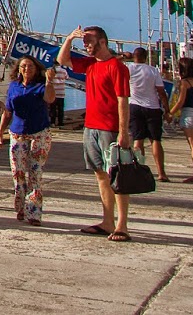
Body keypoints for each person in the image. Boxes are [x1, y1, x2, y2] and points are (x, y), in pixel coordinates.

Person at [58, 25, 133, 242]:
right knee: (100, 174)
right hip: (90, 126)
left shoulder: (116, 67)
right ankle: (107, 220)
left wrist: (123, 131)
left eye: (89, 41)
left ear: (102, 42)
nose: (87, 45)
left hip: (109, 128)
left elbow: (123, 101)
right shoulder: (90, 64)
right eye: (85, 42)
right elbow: (63, 60)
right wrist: (70, 38)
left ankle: (122, 224)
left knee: (117, 176)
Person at [0, 56, 56, 225]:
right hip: (17, 134)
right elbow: (8, 111)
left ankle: (34, 213)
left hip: (39, 134)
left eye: (30, 66)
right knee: (18, 173)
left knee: (35, 174)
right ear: (18, 69)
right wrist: (0, 132)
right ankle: (21, 208)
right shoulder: (14, 86)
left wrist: (50, 82)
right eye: (23, 66)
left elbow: (50, 99)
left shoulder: (41, 86)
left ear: (36, 69)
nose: (26, 69)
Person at [126, 48, 170, 182]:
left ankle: (139, 171)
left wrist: (123, 56)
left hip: (135, 106)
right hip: (152, 107)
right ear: (146, 57)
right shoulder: (152, 70)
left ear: (134, 57)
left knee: (138, 140)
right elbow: (161, 92)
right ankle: (161, 173)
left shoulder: (129, 69)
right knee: (155, 140)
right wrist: (167, 110)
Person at [48, 58, 68, 129]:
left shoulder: (50, 70)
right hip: (61, 93)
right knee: (60, 109)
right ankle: (60, 122)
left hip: (53, 92)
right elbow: (67, 77)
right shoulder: (63, 71)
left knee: (52, 109)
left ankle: (52, 122)